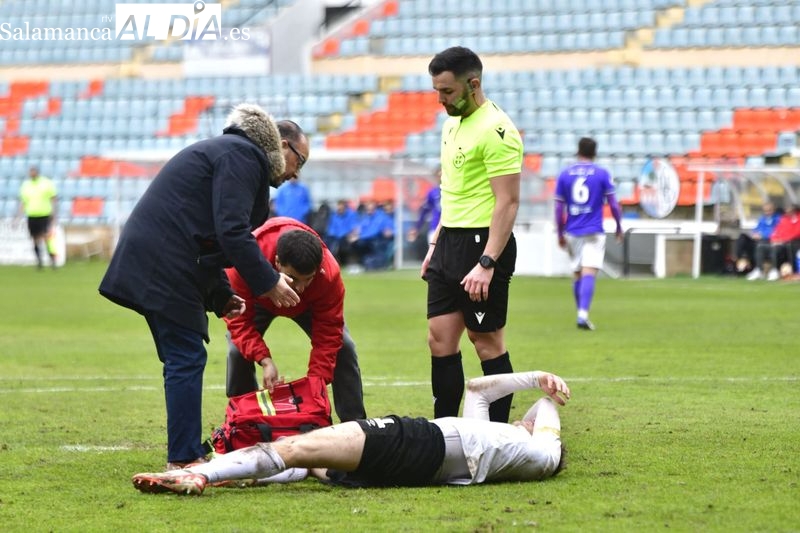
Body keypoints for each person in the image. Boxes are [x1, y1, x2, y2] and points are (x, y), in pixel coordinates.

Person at [99, 105, 308, 470]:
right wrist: (269, 282)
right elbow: (230, 231)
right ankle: (183, 459)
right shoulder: (243, 155)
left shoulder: (231, 152)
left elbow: (208, 235)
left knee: (182, 356)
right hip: (164, 261)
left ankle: (184, 452)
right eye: (300, 161)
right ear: (284, 145)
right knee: (186, 356)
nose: (296, 174)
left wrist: (220, 294)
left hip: (160, 257)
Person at [131, 369, 571, 494]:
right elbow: (477, 389)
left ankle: (202, 473)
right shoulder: (495, 441)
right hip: (420, 463)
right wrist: (536, 377)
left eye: (529, 424)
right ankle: (222, 470)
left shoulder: (540, 454)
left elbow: (545, 411)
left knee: (300, 445)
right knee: (310, 465)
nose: (523, 421)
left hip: (420, 442)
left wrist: (543, 392)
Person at [421, 46, 523, 423]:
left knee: (486, 341)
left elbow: (508, 202)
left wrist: (487, 263)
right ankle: (444, 431)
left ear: (473, 84)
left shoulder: (498, 131)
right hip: (450, 241)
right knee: (439, 339)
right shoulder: (451, 124)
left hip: (483, 245)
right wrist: (436, 242)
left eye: (446, 91)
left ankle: (497, 434)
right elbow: (453, 192)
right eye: (437, 90)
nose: (441, 99)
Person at [225, 216, 367, 422]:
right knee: (237, 351)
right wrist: (264, 360)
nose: (300, 288)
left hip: (309, 305)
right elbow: (239, 323)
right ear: (277, 263)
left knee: (344, 347)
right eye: (294, 279)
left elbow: (329, 335)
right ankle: (243, 420)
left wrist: (314, 385)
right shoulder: (245, 261)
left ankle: (356, 425)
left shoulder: (329, 275)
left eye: (308, 279)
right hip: (260, 298)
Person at [554, 137, 623, 331]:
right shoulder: (601, 174)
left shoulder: (565, 174)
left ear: (578, 151)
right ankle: (582, 315)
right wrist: (619, 227)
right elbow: (614, 204)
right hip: (593, 230)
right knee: (589, 272)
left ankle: (581, 314)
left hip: (572, 231)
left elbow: (559, 209)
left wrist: (560, 232)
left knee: (578, 275)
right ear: (595, 153)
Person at [17, 165, 58, 269]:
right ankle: (39, 261)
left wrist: (54, 213)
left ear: (37, 172)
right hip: (32, 215)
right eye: (31, 172)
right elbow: (23, 201)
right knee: (35, 238)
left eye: (33, 172)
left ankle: (52, 259)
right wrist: (18, 216)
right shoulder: (26, 185)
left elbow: (53, 198)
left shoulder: (46, 183)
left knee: (47, 237)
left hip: (44, 214)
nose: (32, 174)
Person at [748, 203, 800, 281]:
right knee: (761, 247)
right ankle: (759, 270)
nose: (787, 212)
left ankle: (774, 270)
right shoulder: (784, 219)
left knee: (775, 248)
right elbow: (777, 231)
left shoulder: (797, 219)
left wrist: (782, 240)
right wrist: (774, 238)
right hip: (778, 242)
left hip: (789, 243)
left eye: (789, 211)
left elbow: (796, 233)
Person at [737, 201, 781, 275]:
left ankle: (758, 269)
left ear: (773, 210)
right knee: (742, 237)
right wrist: (754, 234)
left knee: (760, 244)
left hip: (769, 240)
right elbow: (756, 228)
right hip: (758, 239)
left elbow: (776, 232)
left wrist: (762, 235)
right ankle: (740, 258)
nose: (767, 212)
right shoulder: (762, 218)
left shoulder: (778, 219)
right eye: (765, 211)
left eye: (769, 210)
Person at [350, 199, 394, 271]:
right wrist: (354, 234)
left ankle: (366, 263)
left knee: (359, 243)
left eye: (371, 209)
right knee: (353, 242)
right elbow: (360, 227)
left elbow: (375, 232)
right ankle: (359, 263)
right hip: (368, 240)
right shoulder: (366, 217)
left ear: (375, 208)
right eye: (367, 209)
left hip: (378, 241)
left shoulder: (380, 217)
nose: (369, 211)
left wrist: (359, 237)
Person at [407, 167, 442, 246]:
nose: (441, 178)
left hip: (450, 230)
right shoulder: (432, 193)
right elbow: (424, 211)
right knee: (434, 256)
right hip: (435, 229)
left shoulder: (453, 192)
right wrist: (417, 227)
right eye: (439, 175)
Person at [324, 199, 359, 266]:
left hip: (347, 237)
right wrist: (335, 235)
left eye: (341, 207)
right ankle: (332, 263)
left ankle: (351, 263)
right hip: (336, 238)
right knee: (330, 241)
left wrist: (345, 234)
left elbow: (353, 227)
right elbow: (331, 229)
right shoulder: (334, 215)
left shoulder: (351, 215)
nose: (340, 209)